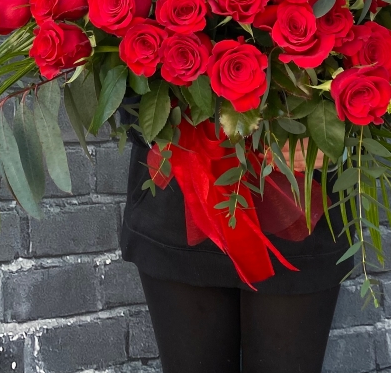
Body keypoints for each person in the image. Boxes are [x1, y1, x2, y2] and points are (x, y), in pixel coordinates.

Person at [120, 125, 353, 373]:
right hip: (180, 194)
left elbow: (380, 109)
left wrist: (340, 136)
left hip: (300, 200)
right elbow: (128, 108)